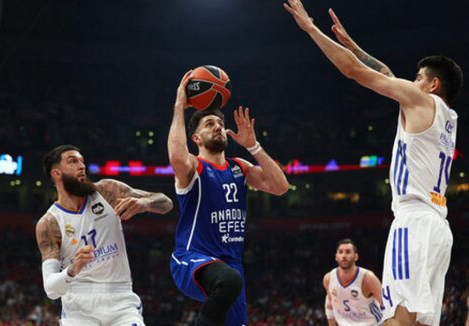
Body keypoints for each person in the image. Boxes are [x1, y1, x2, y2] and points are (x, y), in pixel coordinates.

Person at [284, 2, 463, 325]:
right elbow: (385, 74)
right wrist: (353, 46)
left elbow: (354, 72)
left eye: (418, 78)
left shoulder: (421, 100)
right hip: (438, 228)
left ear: (433, 85)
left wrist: (311, 29)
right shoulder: (448, 118)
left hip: (413, 221)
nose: (411, 82)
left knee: (396, 319)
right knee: (421, 322)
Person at [167, 71, 289, 325]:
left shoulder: (240, 167)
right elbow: (177, 157)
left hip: (231, 264)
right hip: (191, 258)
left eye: (220, 123)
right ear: (196, 139)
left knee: (232, 286)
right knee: (229, 280)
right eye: (209, 124)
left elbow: (280, 187)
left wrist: (253, 146)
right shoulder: (193, 167)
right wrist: (180, 105)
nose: (218, 127)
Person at [35, 144, 173, 325]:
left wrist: (145, 203)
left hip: (120, 299)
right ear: (56, 174)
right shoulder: (49, 223)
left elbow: (166, 202)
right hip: (79, 305)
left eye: (82, 160)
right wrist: (72, 269)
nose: (81, 165)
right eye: (73, 161)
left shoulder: (107, 191)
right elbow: (51, 288)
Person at [323, 239, 383, 326]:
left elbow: (386, 304)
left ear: (356, 256)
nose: (344, 255)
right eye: (340, 252)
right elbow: (329, 304)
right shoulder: (328, 279)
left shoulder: (368, 278)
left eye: (348, 252)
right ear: (336, 256)